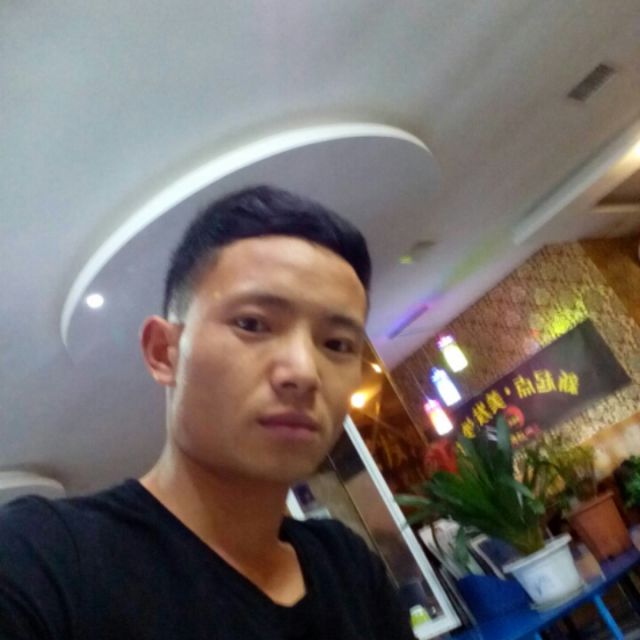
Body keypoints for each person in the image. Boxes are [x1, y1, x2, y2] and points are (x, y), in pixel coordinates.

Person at [0, 186, 415, 639]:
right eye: (252, 324)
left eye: (337, 344)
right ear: (164, 352)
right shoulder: (43, 561)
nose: (303, 371)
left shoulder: (349, 569)